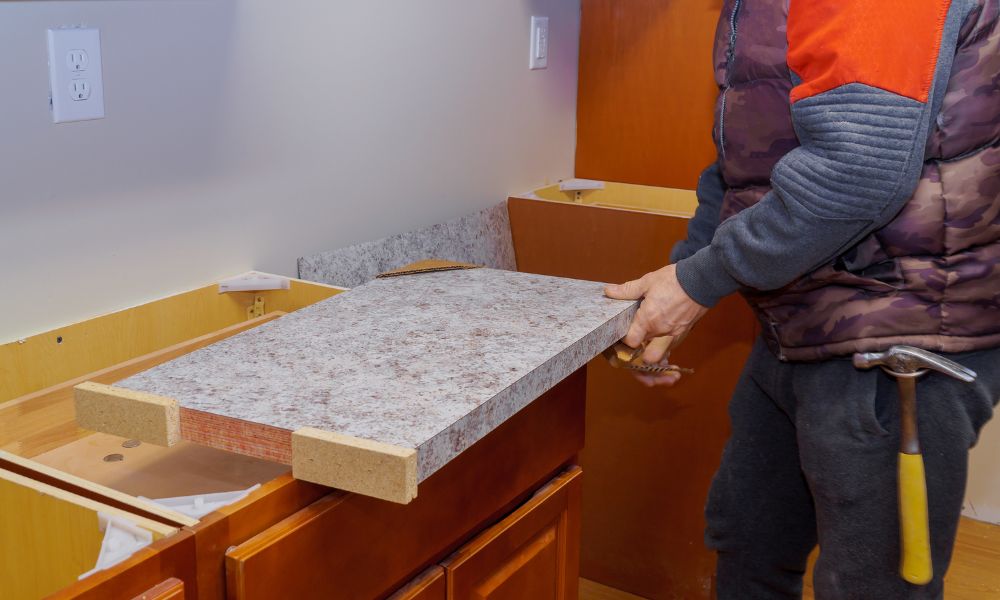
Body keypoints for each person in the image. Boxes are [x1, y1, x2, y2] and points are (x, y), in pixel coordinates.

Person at [603, 1, 1000, 598]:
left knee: (873, 583)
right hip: (803, 319)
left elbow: (855, 172)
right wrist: (683, 281)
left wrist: (697, 284)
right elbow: (746, 168)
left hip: (896, 338)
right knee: (747, 539)